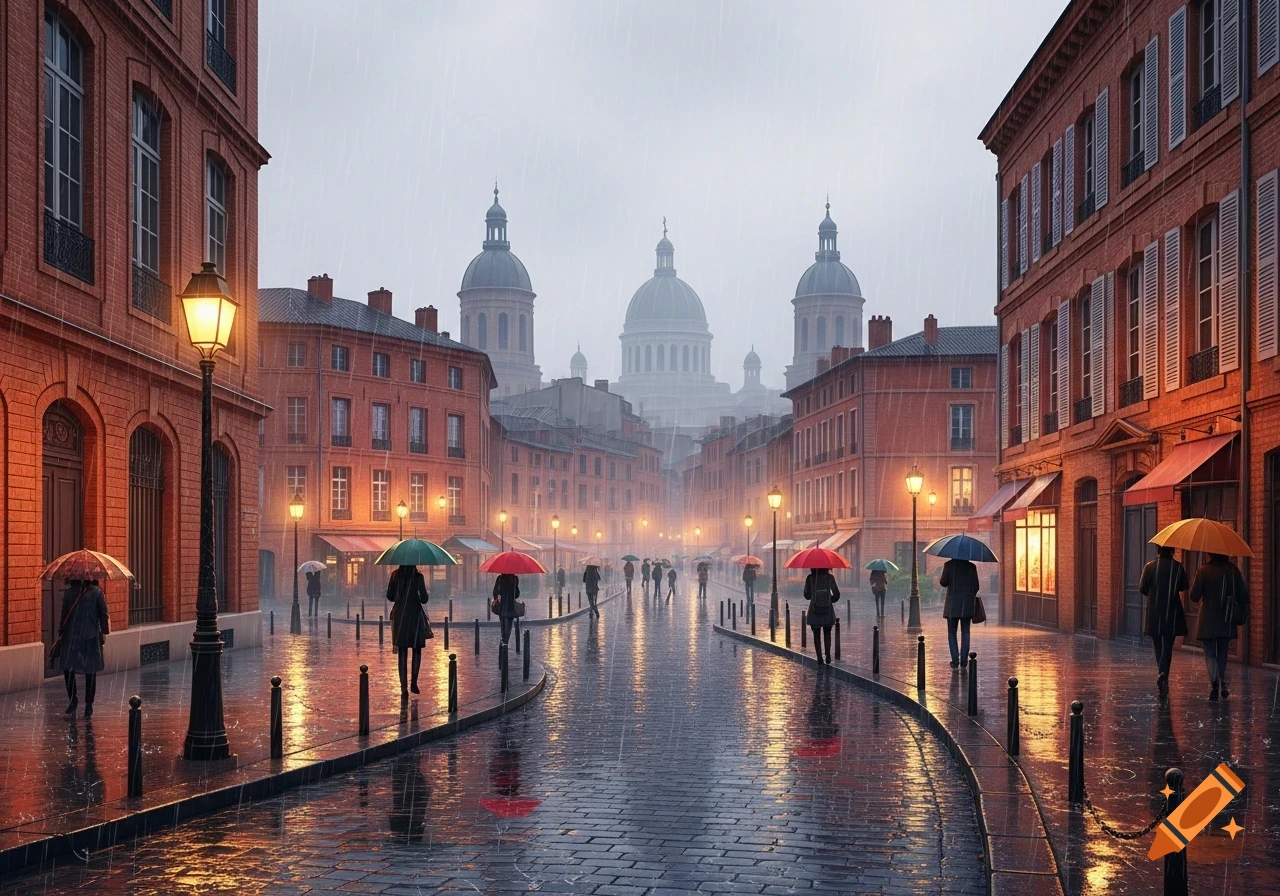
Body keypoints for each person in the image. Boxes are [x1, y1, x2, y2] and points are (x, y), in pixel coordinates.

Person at [1188, 553, 1248, 701]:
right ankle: (1222, 681)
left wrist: (1197, 577)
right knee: (1222, 653)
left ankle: (1215, 683)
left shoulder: (1203, 570)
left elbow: (1194, 596)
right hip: (1226, 619)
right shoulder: (1233, 571)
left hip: (1207, 620)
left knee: (1209, 653)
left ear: (1211, 554)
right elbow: (1244, 596)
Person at [1139, 545, 1189, 698]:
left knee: (1158, 647)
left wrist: (1154, 592)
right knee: (1167, 646)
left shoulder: (1150, 566)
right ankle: (1163, 674)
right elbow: (1184, 586)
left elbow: (1142, 588)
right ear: (1172, 551)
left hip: (1154, 612)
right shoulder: (1178, 567)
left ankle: (1162, 674)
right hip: (1171, 612)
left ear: (1158, 551)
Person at [58, 578, 109, 717]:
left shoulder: (69, 593)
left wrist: (61, 631)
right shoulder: (97, 593)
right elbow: (103, 614)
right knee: (90, 671)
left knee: (69, 669)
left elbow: (63, 614)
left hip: (71, 637)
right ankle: (88, 705)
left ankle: (73, 699)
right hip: (90, 636)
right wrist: (104, 631)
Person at [388, 564, 430, 697]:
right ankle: (414, 683)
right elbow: (424, 599)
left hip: (400, 615)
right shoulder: (418, 577)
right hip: (414, 615)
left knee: (402, 650)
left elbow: (389, 596)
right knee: (416, 649)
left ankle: (403, 688)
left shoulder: (395, 575)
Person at [939, 557, 980, 670]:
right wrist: (968, 596)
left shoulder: (949, 565)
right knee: (965, 632)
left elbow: (943, 582)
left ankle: (955, 661)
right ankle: (964, 661)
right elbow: (976, 586)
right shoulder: (971, 567)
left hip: (952, 605)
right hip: (966, 605)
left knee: (952, 633)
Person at [804, 568, 839, 664]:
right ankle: (828, 656)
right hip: (827, 610)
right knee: (827, 633)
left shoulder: (810, 578)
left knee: (816, 634)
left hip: (815, 610)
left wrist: (813, 594)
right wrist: (829, 599)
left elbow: (806, 595)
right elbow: (837, 595)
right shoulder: (830, 578)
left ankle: (819, 658)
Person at [493, 572, 522, 645]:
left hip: (501, 607)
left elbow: (495, 592)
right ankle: (505, 644)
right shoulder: (514, 579)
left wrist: (498, 596)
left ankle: (502, 645)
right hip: (510, 608)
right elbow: (516, 595)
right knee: (508, 628)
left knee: (503, 628)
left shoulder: (499, 579)